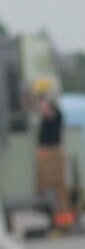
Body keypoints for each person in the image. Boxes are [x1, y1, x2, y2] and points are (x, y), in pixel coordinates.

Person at [32, 80, 73, 232]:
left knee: (57, 187)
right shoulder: (47, 112)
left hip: (53, 152)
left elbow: (48, 112)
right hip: (45, 152)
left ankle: (63, 223)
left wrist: (43, 102)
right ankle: (56, 221)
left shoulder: (55, 112)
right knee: (43, 187)